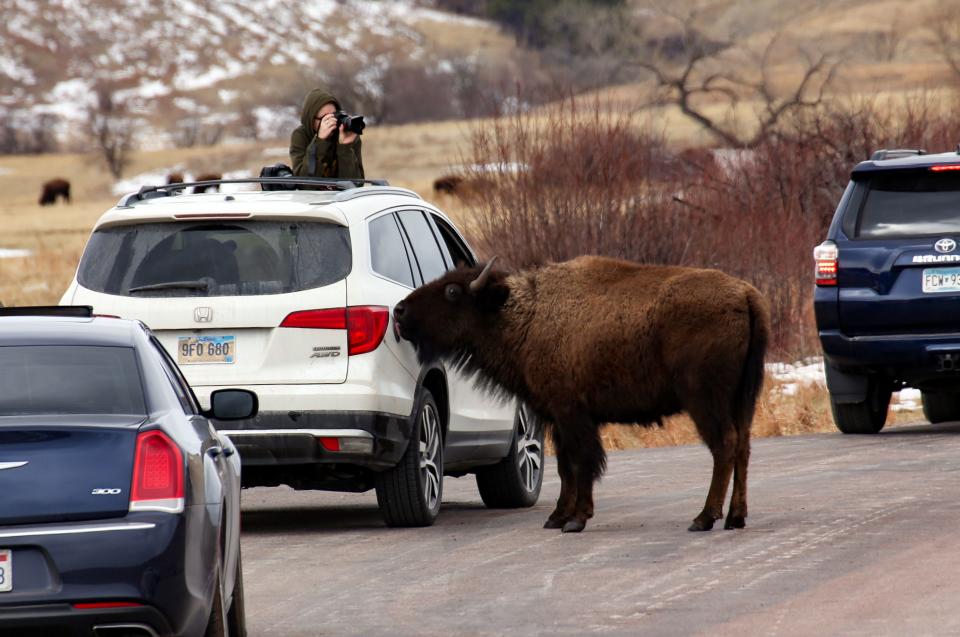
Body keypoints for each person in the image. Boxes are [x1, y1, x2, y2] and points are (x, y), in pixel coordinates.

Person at [290, 88, 365, 180]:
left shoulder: (348, 134)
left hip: (341, 194)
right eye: (326, 118)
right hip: (312, 194)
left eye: (334, 115)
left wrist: (345, 147)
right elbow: (304, 183)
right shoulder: (301, 136)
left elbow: (355, 184)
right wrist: (319, 142)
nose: (331, 122)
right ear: (310, 119)